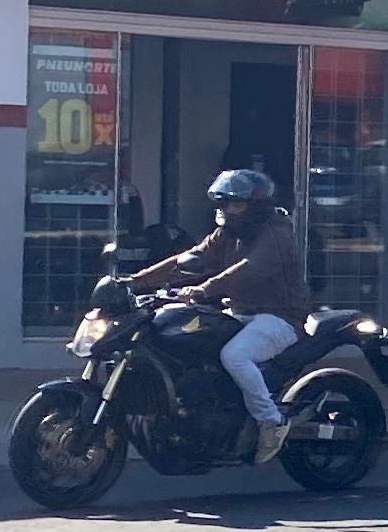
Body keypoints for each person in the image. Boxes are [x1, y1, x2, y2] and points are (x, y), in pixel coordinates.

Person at [129, 168, 308, 459]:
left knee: (234, 356)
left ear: (255, 207)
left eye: (235, 204)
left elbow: (247, 271)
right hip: (239, 313)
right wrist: (136, 280)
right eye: (224, 204)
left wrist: (202, 289)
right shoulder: (228, 233)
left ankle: (271, 422)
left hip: (280, 318)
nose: (227, 210)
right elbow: (191, 258)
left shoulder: (276, 235)